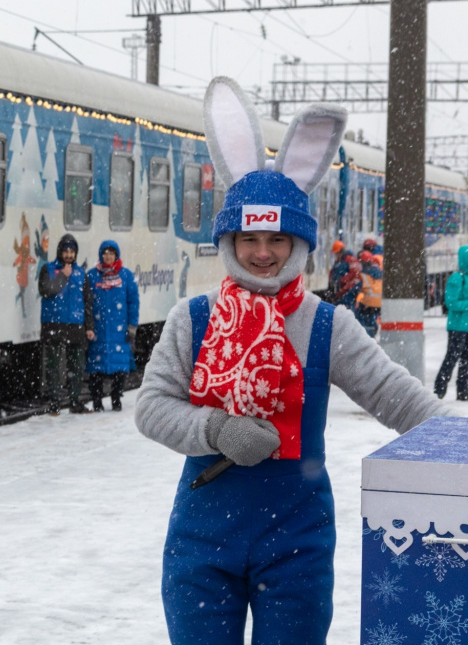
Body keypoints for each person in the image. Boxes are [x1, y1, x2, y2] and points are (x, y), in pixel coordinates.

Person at [135, 77, 448, 645]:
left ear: (298, 245)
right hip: (203, 534)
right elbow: (151, 408)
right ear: (229, 241)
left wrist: (455, 440)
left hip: (297, 537)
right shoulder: (194, 317)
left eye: (278, 239)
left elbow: (393, 395)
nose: (262, 252)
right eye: (249, 238)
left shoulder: (327, 325)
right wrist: (217, 428)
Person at [38, 233, 92, 413]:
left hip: (75, 325)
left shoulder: (81, 273)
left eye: (72, 251)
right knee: (53, 367)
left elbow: (87, 301)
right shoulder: (48, 269)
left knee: (76, 367)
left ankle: (75, 402)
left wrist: (89, 327)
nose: (69, 255)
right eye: (66, 251)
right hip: (54, 324)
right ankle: (54, 403)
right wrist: (63, 276)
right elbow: (46, 291)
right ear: (60, 252)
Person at [85, 240, 138, 412]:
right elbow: (87, 304)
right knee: (95, 369)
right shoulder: (92, 276)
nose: (108, 256)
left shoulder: (126, 276)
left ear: (116, 255)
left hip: (119, 330)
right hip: (98, 329)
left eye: (111, 253)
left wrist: (132, 327)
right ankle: (97, 401)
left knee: (120, 368)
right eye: (105, 253)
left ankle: (116, 399)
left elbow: (133, 303)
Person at [435, 245, 468, 399]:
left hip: (465, 327)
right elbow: (451, 302)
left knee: (466, 361)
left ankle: (463, 392)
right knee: (452, 358)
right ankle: (439, 390)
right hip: (457, 327)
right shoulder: (456, 278)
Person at [355, 249, 383, 337]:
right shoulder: (380, 273)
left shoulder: (362, 274)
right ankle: (373, 329)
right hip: (380, 303)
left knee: (360, 315)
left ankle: (367, 335)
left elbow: (355, 289)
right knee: (372, 319)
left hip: (368, 303)